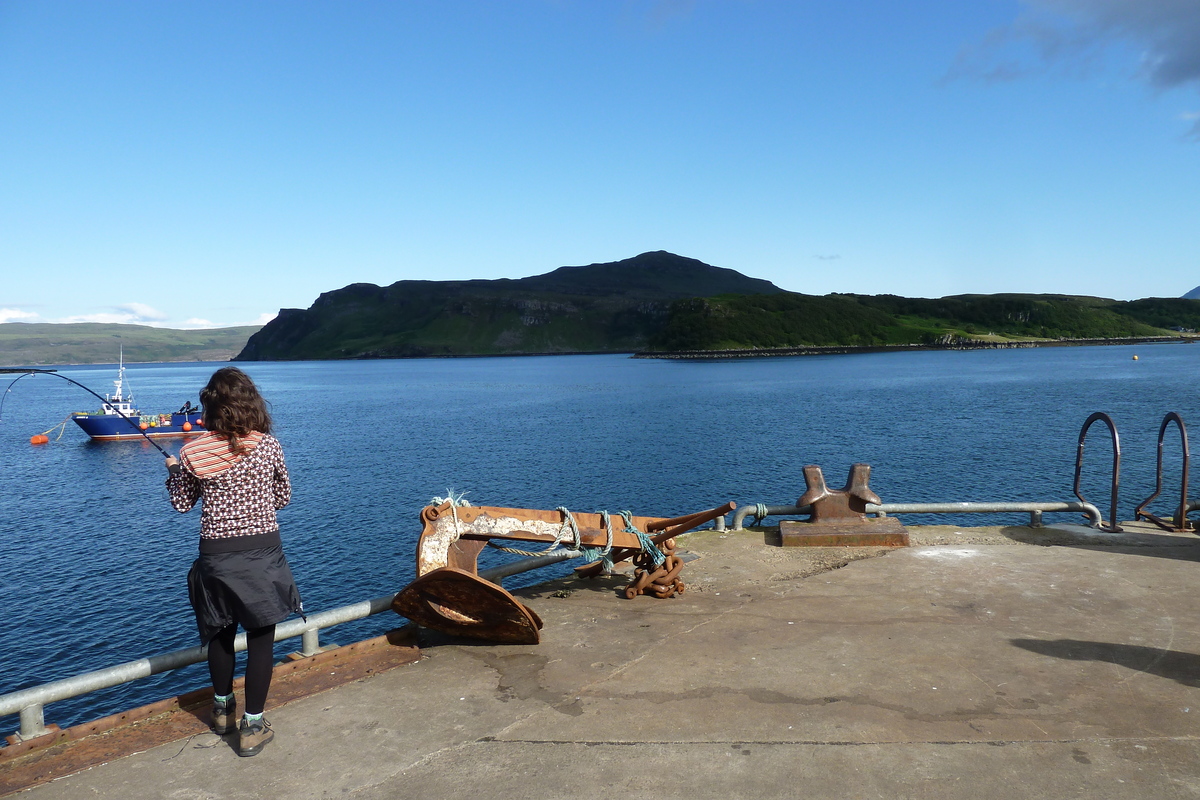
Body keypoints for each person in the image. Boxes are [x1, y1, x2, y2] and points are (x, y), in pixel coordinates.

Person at [164, 367, 301, 757]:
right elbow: (282, 498)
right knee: (261, 639)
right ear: (250, 403)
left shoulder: (192, 452)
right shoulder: (268, 446)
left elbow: (181, 503)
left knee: (220, 634)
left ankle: (223, 710)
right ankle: (253, 727)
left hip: (216, 557)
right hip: (262, 554)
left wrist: (175, 471)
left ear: (210, 405)